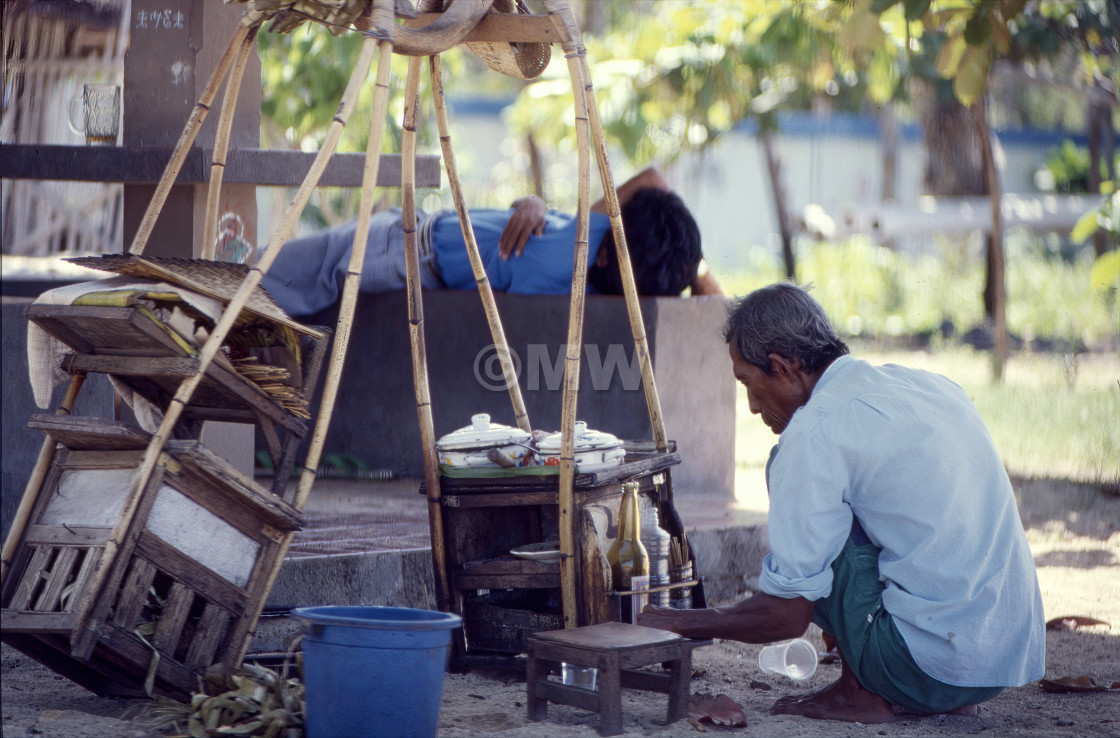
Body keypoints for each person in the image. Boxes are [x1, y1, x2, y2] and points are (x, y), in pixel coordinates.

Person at [637, 283, 1045, 723]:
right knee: (856, 507)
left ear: (783, 367)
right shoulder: (931, 387)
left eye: (748, 383)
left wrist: (676, 621)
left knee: (813, 509)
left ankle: (860, 691)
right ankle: (900, 681)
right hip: (1002, 660)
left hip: (928, 667)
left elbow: (786, 615)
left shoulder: (812, 436)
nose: (753, 406)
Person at [261, 166, 721, 317]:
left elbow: (653, 180)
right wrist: (697, 273)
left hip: (412, 254)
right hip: (400, 247)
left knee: (271, 284)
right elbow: (656, 182)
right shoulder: (581, 261)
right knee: (265, 283)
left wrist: (689, 262)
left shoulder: (599, 232)